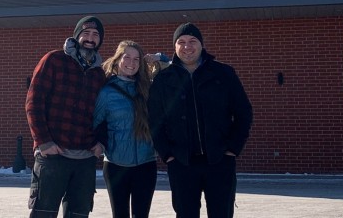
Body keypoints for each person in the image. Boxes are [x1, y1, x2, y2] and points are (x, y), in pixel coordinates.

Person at [148, 23, 253, 218]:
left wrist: (233, 148)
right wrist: (168, 154)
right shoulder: (163, 79)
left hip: (220, 160)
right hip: (181, 163)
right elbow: (154, 120)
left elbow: (243, 112)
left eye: (192, 41)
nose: (187, 46)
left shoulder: (223, 73)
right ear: (175, 47)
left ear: (201, 44)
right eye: (181, 42)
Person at [25, 16, 107, 218]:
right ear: (77, 35)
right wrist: (43, 141)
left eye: (95, 35)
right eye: (86, 33)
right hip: (53, 155)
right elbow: (34, 103)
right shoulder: (53, 60)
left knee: (79, 214)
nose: (90, 38)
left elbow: (105, 114)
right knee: (43, 213)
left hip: (85, 159)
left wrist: (101, 143)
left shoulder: (100, 73)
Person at [93, 40, 157, 218]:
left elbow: (174, 74)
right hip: (116, 164)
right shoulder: (106, 92)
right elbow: (95, 124)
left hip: (146, 163)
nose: (131, 63)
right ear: (117, 59)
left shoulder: (148, 88)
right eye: (126, 57)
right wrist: (101, 144)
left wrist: (160, 59)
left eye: (136, 59)